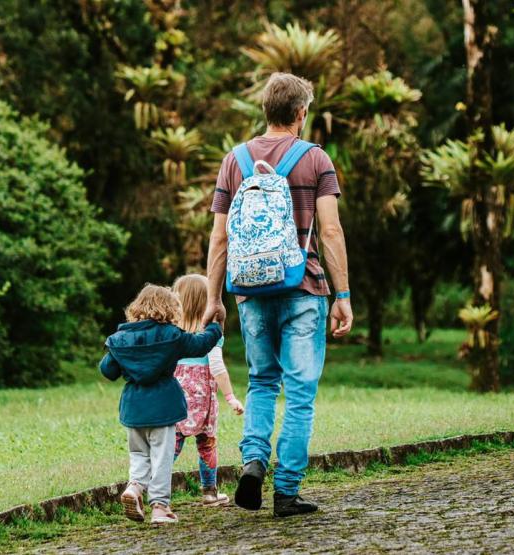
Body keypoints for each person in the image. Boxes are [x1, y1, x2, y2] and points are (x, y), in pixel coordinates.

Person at [202, 72, 353, 517]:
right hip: (303, 289)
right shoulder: (315, 160)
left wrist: (215, 298)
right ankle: (286, 491)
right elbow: (329, 229)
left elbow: (219, 237)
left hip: (249, 293)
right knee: (300, 392)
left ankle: (252, 461)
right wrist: (341, 293)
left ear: (266, 111)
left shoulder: (235, 160)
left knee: (262, 382)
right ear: (301, 113)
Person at [100, 284, 222, 524]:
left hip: (134, 409)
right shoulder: (172, 336)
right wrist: (216, 326)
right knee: (161, 458)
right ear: (169, 309)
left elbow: (107, 370)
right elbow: (200, 344)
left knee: (138, 454)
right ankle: (159, 508)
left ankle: (134, 488)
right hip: (164, 408)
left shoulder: (120, 339)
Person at [171, 274, 245, 507]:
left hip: (175, 398)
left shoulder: (172, 333)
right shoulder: (211, 333)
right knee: (207, 443)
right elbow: (216, 367)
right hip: (203, 400)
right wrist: (231, 397)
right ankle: (210, 493)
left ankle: (154, 490)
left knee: (172, 443)